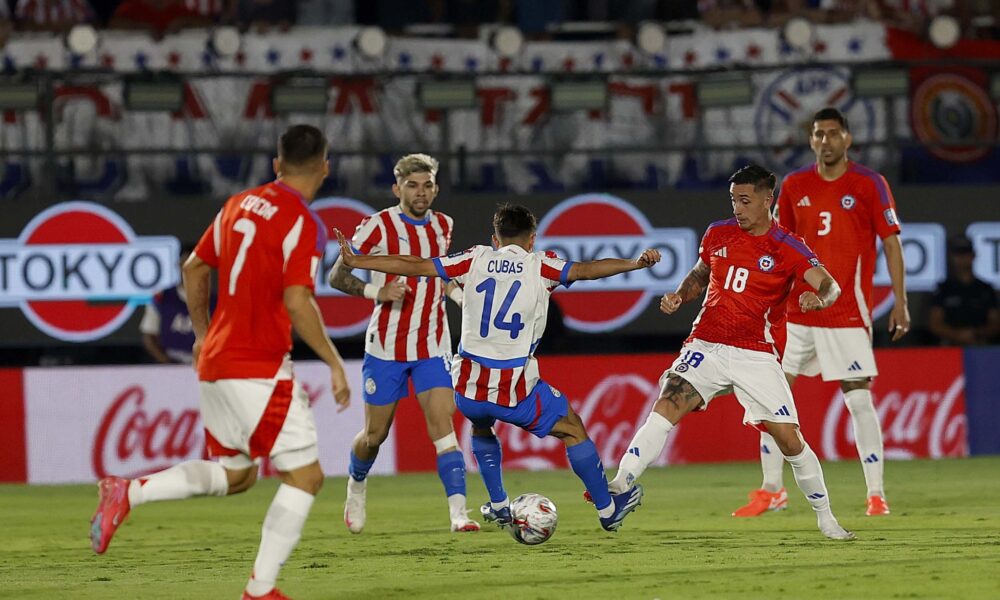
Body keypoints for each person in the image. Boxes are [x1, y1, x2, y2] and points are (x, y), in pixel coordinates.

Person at [90, 124, 351, 600]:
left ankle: (129, 492)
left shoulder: (238, 204)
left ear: (277, 164)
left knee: (238, 475)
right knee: (306, 476)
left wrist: (203, 336)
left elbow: (193, 268)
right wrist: (334, 362)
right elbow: (297, 301)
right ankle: (260, 589)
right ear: (325, 168)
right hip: (258, 364)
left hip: (217, 360)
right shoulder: (302, 222)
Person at [334, 203, 656, 532]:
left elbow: (416, 265)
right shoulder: (540, 265)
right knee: (572, 428)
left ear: (495, 239)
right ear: (532, 239)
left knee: (481, 425)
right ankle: (607, 509)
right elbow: (588, 270)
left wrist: (358, 261)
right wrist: (634, 263)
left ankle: (500, 504)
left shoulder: (473, 258)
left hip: (468, 389)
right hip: (513, 389)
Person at [606, 164, 855, 540]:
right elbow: (700, 274)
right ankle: (621, 482)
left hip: (756, 353)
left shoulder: (788, 247)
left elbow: (830, 285)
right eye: (733, 200)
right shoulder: (717, 233)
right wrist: (680, 295)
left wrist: (820, 300)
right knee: (668, 403)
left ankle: (826, 518)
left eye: (745, 200)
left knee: (789, 440)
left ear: (767, 200)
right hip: (706, 344)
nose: (737, 208)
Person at [733, 107, 909, 519]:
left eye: (832, 133)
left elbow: (891, 242)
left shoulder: (869, 183)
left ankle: (876, 494)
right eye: (818, 134)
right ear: (811, 140)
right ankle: (772, 490)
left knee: (858, 399)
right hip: (797, 313)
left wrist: (900, 302)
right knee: (769, 398)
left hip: (846, 312)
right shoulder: (795, 184)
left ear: (847, 138)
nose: (825, 140)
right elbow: (776, 243)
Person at [327, 154, 479, 533]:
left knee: (443, 424)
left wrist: (462, 299)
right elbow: (336, 276)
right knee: (374, 436)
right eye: (412, 186)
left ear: (436, 189)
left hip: (433, 344)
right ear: (397, 189)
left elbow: (441, 276)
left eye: (427, 185)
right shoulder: (377, 226)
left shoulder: (444, 225)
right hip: (386, 347)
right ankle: (356, 485)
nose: (420, 192)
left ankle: (459, 514)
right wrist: (376, 292)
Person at [929, 235, 999, 346]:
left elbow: (995, 323)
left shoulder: (985, 289)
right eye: (958, 254)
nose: (962, 259)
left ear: (973, 255)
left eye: (966, 254)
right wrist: (957, 335)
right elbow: (935, 323)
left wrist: (976, 333)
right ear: (951, 257)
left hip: (980, 344)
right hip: (950, 345)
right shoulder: (943, 289)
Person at [139, 246, 201, 364]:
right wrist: (168, 364)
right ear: (179, 265)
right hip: (169, 364)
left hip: (203, 366)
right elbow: (149, 337)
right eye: (186, 264)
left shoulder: (216, 302)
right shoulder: (162, 298)